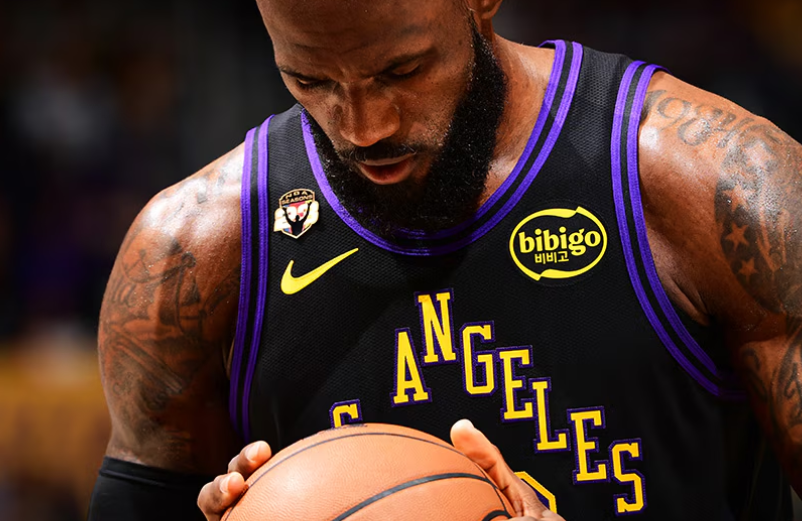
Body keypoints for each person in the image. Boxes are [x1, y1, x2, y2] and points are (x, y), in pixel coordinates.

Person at [88, 0, 802, 519]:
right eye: (311, 82)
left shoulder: (717, 185)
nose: (364, 129)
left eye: (401, 70)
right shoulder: (192, 251)